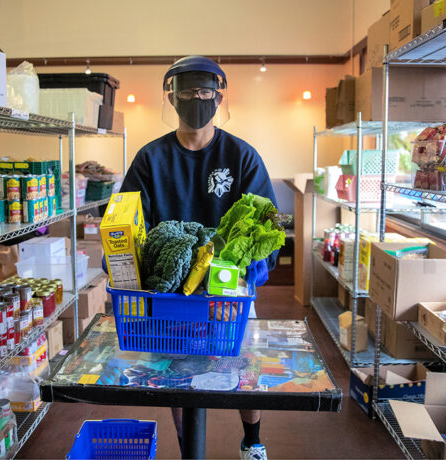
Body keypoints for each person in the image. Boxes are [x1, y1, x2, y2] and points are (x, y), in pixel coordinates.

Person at [120, 55, 278, 460]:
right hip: (172, 290)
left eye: (205, 91)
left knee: (244, 367)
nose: (197, 98)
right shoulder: (149, 159)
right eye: (187, 91)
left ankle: (253, 439)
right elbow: (124, 225)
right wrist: (123, 266)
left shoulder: (241, 157)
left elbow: (268, 230)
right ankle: (188, 448)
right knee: (174, 373)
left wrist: (250, 273)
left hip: (230, 285)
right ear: (171, 97)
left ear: (218, 96)